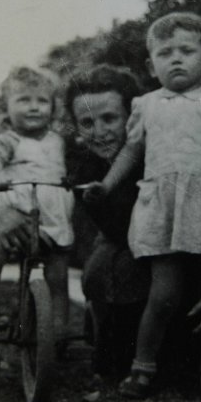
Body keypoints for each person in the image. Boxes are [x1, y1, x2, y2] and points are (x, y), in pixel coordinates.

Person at [84, 12, 201, 399]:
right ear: (150, 65)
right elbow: (131, 150)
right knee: (164, 294)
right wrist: (107, 185)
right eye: (165, 53)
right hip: (164, 212)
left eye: (186, 51)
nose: (176, 59)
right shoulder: (147, 106)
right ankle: (143, 367)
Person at [0, 66, 74, 342]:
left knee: (58, 276)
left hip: (54, 217)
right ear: (6, 106)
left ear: (53, 108)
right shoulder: (6, 140)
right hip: (18, 212)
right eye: (24, 100)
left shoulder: (58, 142)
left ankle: (59, 330)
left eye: (42, 101)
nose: (34, 107)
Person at [65, 65, 150, 378]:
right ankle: (105, 331)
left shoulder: (156, 155)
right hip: (120, 241)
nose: (99, 132)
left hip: (157, 250)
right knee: (96, 272)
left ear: (132, 117)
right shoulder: (84, 167)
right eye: (87, 122)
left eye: (110, 119)